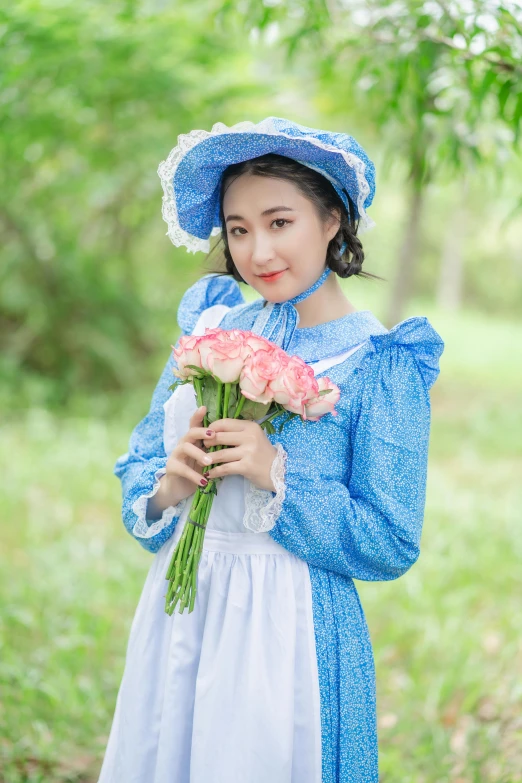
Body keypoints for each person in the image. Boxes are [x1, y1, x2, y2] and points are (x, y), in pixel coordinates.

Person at [97, 117, 444, 783]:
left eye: (279, 221)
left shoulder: (381, 363)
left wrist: (274, 473)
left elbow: (389, 538)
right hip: (182, 613)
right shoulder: (211, 327)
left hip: (289, 635)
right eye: (238, 228)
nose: (257, 251)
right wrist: (167, 482)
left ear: (333, 219)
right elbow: (142, 457)